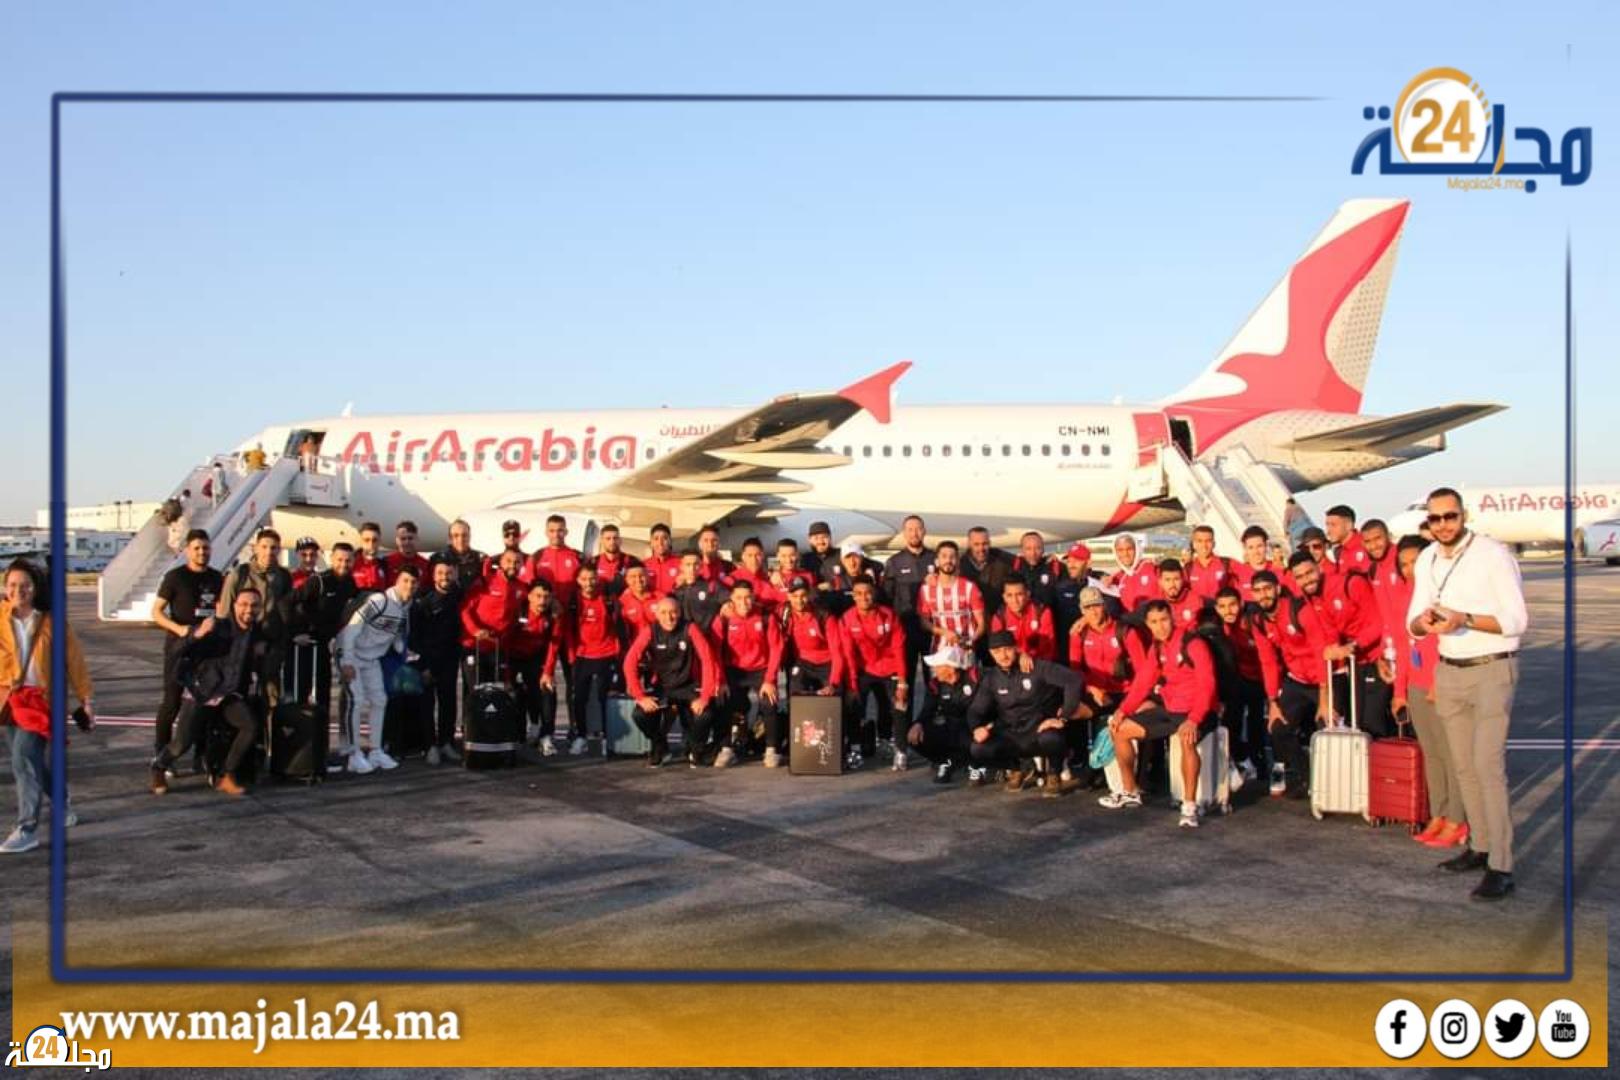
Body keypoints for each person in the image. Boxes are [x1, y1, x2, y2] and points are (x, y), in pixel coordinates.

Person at [1405, 486, 1528, 902]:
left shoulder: (1493, 555)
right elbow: (1412, 624)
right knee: (1463, 766)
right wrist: (1424, 622)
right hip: (1449, 669)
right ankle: (1479, 845)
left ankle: (1502, 864)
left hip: (1492, 667)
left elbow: (1516, 620)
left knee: (1487, 766)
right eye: (1435, 518)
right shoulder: (1426, 558)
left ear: (1464, 515)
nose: (1443, 525)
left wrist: (1465, 619)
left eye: (1450, 516)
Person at [1098, 599, 1218, 827]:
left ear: (1171, 618)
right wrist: (1122, 710)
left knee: (1186, 739)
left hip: (1198, 710)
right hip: (1171, 708)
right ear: (1148, 625)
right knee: (1119, 729)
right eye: (1154, 622)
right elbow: (1144, 682)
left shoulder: (1193, 643)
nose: (1160, 626)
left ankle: (1189, 806)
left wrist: (1194, 719)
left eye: (1164, 620)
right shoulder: (1157, 647)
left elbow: (1207, 685)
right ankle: (1130, 790)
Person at [1, 559, 93, 853]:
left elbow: (74, 661)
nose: (19, 590)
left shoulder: (52, 621)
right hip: (9, 700)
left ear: (35, 587)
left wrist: (86, 699)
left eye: (25, 585)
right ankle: (60, 798)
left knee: (23, 756)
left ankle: (27, 827)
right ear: (5, 588)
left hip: (41, 701)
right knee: (28, 761)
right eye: (13, 585)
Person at [149, 587, 268, 796]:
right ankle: (158, 767)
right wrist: (197, 634)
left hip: (229, 694)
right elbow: (178, 650)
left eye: (254, 605)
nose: (249, 610)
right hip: (202, 692)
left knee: (250, 726)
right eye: (244, 605)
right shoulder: (217, 627)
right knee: (181, 744)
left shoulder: (256, 632)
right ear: (234, 606)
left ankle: (226, 775)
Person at [1389, 535, 1466, 850]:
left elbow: (1450, 642)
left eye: (1415, 562)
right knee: (1432, 754)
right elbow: (1405, 646)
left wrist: (1439, 680)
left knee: (1452, 755)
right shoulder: (1403, 597)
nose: (1410, 569)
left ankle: (1457, 819)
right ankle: (1438, 813)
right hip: (1415, 684)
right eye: (1404, 564)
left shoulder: (1441, 595)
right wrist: (1400, 690)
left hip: (1441, 681)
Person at [967, 630, 1081, 798]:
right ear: (991, 653)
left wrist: (1063, 716)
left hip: (1039, 728)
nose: (1003, 655)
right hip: (1011, 732)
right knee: (978, 749)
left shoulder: (1036, 667)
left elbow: (1073, 680)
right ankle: (1017, 768)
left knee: (1052, 738)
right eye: (997, 652)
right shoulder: (991, 678)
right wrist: (976, 728)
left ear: (1016, 648)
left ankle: (1054, 772)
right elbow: (976, 709)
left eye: (1007, 649)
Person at [1249, 564, 1330, 798]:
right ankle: (1311, 779)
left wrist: (1324, 696)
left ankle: (1333, 784)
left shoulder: (1298, 609)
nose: (1263, 594)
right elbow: (1268, 662)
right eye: (1258, 590)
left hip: (1323, 679)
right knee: (1277, 728)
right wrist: (1273, 701)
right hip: (1296, 680)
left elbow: (1319, 649)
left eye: (1267, 589)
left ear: (1277, 589)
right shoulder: (1258, 620)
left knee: (1327, 728)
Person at [1293, 545, 1388, 737]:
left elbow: (1378, 624)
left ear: (1319, 568)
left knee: (1374, 722)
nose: (1306, 580)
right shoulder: (1313, 599)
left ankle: (1386, 765)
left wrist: (1353, 645)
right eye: (1300, 577)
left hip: (1377, 657)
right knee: (1357, 723)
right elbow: (1329, 637)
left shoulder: (1350, 584)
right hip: (1355, 663)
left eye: (1309, 572)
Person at [335, 564, 418, 774]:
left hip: (372, 659)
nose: (409, 586)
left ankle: (375, 750)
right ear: (396, 581)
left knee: (380, 700)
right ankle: (354, 755)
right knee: (357, 700)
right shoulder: (379, 601)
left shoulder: (406, 608)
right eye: (405, 581)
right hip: (351, 654)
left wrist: (406, 652)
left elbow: (395, 638)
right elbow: (351, 629)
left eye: (413, 582)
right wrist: (346, 660)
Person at [151, 529, 225, 758]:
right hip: (180, 648)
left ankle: (200, 754)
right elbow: (156, 612)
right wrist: (180, 629)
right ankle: (162, 753)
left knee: (205, 703)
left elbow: (221, 609)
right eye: (197, 548)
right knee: (172, 702)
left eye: (206, 548)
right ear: (187, 551)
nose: (202, 552)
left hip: (206, 651)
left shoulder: (216, 577)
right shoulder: (175, 577)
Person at [623, 596, 718, 768]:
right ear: (657, 615)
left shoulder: (690, 629)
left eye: (673, 612)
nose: (669, 617)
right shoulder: (650, 631)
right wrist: (639, 696)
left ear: (680, 613)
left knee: (705, 714)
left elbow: (707, 660)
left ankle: (695, 750)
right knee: (639, 714)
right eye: (664, 613)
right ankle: (660, 745)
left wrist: (705, 696)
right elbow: (630, 661)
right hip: (662, 687)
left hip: (688, 685)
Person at [709, 580, 783, 767]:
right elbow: (715, 652)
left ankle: (771, 750)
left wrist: (770, 679)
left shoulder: (766, 616)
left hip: (761, 669)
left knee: (769, 702)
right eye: (739, 598)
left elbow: (776, 648)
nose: (744, 602)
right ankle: (726, 749)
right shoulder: (723, 619)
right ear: (731, 599)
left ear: (754, 597)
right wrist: (721, 680)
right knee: (723, 701)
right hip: (733, 670)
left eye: (748, 597)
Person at [219, 527, 294, 710]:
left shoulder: (283, 576)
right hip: (241, 641)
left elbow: (286, 611)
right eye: (265, 546)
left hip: (270, 642)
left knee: (271, 692)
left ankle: (270, 734)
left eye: (274, 548)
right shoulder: (239, 574)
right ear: (255, 548)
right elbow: (225, 610)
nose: (269, 552)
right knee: (238, 690)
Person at [839, 578, 908, 770]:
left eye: (867, 592)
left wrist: (902, 681)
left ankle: (899, 749)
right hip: (864, 670)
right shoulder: (847, 619)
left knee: (898, 706)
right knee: (853, 704)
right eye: (859, 593)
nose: (864, 597)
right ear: (853, 596)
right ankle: (854, 748)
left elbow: (899, 649)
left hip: (890, 668)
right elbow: (848, 654)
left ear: (874, 593)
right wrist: (852, 683)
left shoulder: (889, 616)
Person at [1213, 586, 1280, 781]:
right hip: (1236, 680)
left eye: (1232, 605)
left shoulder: (1251, 623)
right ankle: (1239, 761)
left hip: (1259, 679)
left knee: (1256, 723)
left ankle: (1260, 766)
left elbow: (1268, 658)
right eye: (1223, 606)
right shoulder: (1219, 627)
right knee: (1231, 720)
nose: (1228, 611)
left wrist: (1272, 691)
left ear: (1241, 604)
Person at [287, 540, 356, 727]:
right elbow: (286, 603)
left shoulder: (350, 583)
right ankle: (298, 746)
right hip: (305, 645)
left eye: (348, 560)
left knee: (323, 698)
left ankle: (321, 748)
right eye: (340, 560)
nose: (343, 564)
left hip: (324, 646)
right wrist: (293, 634)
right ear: (332, 559)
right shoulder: (319, 581)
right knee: (301, 696)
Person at [411, 558, 464, 765]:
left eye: (449, 573)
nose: (445, 577)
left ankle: (446, 742)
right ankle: (429, 746)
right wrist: (423, 665)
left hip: (449, 660)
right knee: (427, 704)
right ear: (433, 576)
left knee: (448, 703)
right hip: (427, 660)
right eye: (441, 573)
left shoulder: (458, 596)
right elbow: (415, 636)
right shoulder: (423, 601)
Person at [564, 564, 621, 756]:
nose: (589, 583)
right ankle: (581, 736)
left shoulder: (607, 599)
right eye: (584, 579)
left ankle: (607, 736)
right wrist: (572, 654)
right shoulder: (573, 601)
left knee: (605, 698)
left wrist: (616, 651)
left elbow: (616, 626)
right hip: (582, 655)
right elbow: (569, 629)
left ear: (597, 579)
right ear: (578, 581)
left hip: (605, 654)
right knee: (580, 698)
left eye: (592, 578)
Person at [882, 515, 935, 719]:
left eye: (918, 529)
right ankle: (904, 733)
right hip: (905, 631)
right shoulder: (894, 562)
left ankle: (929, 726)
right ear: (904, 533)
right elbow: (887, 599)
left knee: (935, 681)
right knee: (906, 682)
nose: (914, 533)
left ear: (924, 531)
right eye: (910, 529)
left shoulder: (935, 559)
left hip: (930, 629)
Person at [908, 645, 977, 784]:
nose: (934, 670)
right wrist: (918, 723)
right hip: (949, 727)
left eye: (938, 666)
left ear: (950, 667)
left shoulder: (974, 679)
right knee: (915, 736)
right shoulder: (935, 685)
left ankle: (975, 763)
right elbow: (927, 710)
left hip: (972, 728)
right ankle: (945, 762)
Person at [508, 580, 563, 756]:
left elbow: (553, 646)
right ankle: (518, 735)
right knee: (515, 695)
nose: (542, 601)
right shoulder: (518, 612)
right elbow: (505, 642)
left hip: (536, 658)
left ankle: (546, 735)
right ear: (529, 596)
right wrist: (507, 676)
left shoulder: (553, 616)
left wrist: (548, 672)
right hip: (514, 659)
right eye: (538, 596)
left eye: (546, 597)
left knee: (547, 691)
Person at [460, 549, 525, 685]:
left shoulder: (521, 588)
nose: (512, 565)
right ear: (501, 562)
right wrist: (475, 631)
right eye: (508, 561)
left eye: (517, 562)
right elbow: (465, 610)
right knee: (475, 692)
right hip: (475, 645)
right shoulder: (485, 581)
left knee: (497, 692)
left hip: (498, 649)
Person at [915, 540, 985, 654]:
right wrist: (944, 632)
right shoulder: (926, 589)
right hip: (939, 650)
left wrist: (970, 641)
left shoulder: (970, 587)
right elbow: (924, 623)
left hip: (966, 650)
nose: (948, 560)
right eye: (944, 556)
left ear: (957, 561)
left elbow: (981, 624)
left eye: (952, 557)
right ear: (937, 562)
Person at [959, 527, 1014, 627]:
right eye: (976, 544)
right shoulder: (959, 565)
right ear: (969, 543)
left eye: (985, 544)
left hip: (998, 622)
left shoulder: (1004, 561)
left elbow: (1025, 563)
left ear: (990, 543)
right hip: (971, 624)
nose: (981, 549)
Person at [1051, 543, 1107, 643]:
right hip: (1064, 647)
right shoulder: (1059, 587)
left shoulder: (1099, 585)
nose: (1071, 565)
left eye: (1076, 561)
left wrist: (1086, 618)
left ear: (1088, 562)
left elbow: (1112, 611)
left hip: (1093, 645)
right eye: (1069, 561)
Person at [990, 579, 1056, 662]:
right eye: (1009, 595)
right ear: (1004, 597)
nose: (1015, 600)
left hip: (1038, 664)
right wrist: (1021, 656)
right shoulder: (999, 617)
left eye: (1019, 594)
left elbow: (1047, 649)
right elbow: (1000, 652)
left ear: (1028, 595)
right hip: (1013, 664)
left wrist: (1031, 661)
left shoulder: (1042, 612)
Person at [1232, 525, 1293, 603]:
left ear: (1266, 546)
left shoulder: (1279, 570)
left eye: (1259, 546)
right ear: (1245, 548)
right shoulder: (1237, 574)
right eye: (1251, 547)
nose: (1256, 552)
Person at [820, 542, 880, 615]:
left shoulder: (873, 577)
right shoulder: (836, 581)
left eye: (856, 557)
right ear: (842, 560)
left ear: (862, 558)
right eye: (847, 558)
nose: (852, 562)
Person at [1108, 533, 1160, 615]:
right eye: (1120, 550)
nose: (1125, 554)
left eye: (1129, 549)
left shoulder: (1152, 568)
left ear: (1137, 549)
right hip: (1132, 625)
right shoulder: (1116, 578)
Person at [1010, 531, 1063, 611]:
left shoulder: (1054, 567)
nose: (1033, 553)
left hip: (1048, 620)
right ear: (1022, 550)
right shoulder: (1014, 567)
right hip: (1023, 620)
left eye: (1038, 548)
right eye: (1028, 549)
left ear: (1043, 549)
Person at [672, 549, 725, 629]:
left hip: (706, 636)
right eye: (688, 565)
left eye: (695, 564)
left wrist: (727, 605)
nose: (692, 568)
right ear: (681, 567)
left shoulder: (711, 586)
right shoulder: (676, 591)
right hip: (683, 638)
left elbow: (730, 600)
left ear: (701, 566)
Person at [1185, 525, 1235, 603]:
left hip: (1221, 613)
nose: (1204, 546)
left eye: (1208, 541)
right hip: (1198, 613)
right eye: (1200, 541)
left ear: (1214, 543)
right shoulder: (1188, 568)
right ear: (1194, 544)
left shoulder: (1226, 564)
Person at [1154, 558, 1206, 632]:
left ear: (1182, 579)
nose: (1172, 584)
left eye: (1176, 579)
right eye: (1167, 580)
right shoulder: (1155, 603)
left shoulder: (1195, 601)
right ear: (1160, 582)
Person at [591, 524, 641, 598]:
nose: (612, 542)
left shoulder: (632, 561)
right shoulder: (593, 562)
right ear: (602, 541)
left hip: (625, 605)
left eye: (615, 538)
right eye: (608, 538)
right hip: (600, 605)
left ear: (620, 540)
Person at [617, 565, 659, 645]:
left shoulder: (660, 598)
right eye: (633, 576)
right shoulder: (621, 602)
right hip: (633, 646)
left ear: (648, 577)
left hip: (656, 646)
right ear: (626, 580)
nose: (638, 580)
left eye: (641, 576)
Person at [383, 520, 432, 587]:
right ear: (397, 541)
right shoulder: (386, 563)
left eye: (410, 538)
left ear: (417, 539)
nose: (407, 542)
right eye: (403, 539)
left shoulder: (425, 565)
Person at [441, 518, 488, 588]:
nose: (461, 539)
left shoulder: (480, 558)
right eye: (456, 536)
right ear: (450, 538)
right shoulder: (440, 560)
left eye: (464, 535)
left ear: (469, 536)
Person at [642, 523, 682, 596]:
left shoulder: (681, 564)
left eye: (665, 538)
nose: (660, 543)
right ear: (651, 542)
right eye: (656, 539)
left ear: (670, 541)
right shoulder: (643, 565)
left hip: (673, 604)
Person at [352, 521, 389, 593]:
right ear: (360, 541)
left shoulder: (384, 565)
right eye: (366, 540)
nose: (371, 545)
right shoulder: (351, 563)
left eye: (374, 540)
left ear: (379, 541)